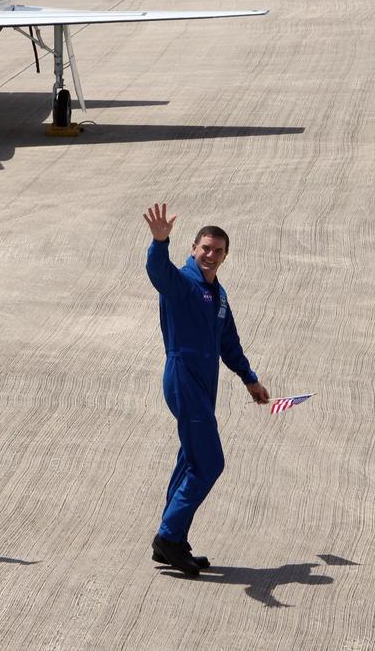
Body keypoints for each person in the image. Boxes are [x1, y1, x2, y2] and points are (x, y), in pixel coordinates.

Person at [143, 203, 270, 576]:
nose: (210, 255)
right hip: (183, 376)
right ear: (193, 249)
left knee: (192, 459)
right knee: (211, 462)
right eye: (205, 248)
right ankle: (167, 537)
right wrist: (159, 242)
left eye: (218, 251)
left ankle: (173, 540)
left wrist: (250, 379)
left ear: (226, 256)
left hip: (203, 382)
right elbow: (157, 272)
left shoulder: (219, 295)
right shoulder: (182, 283)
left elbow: (228, 341)